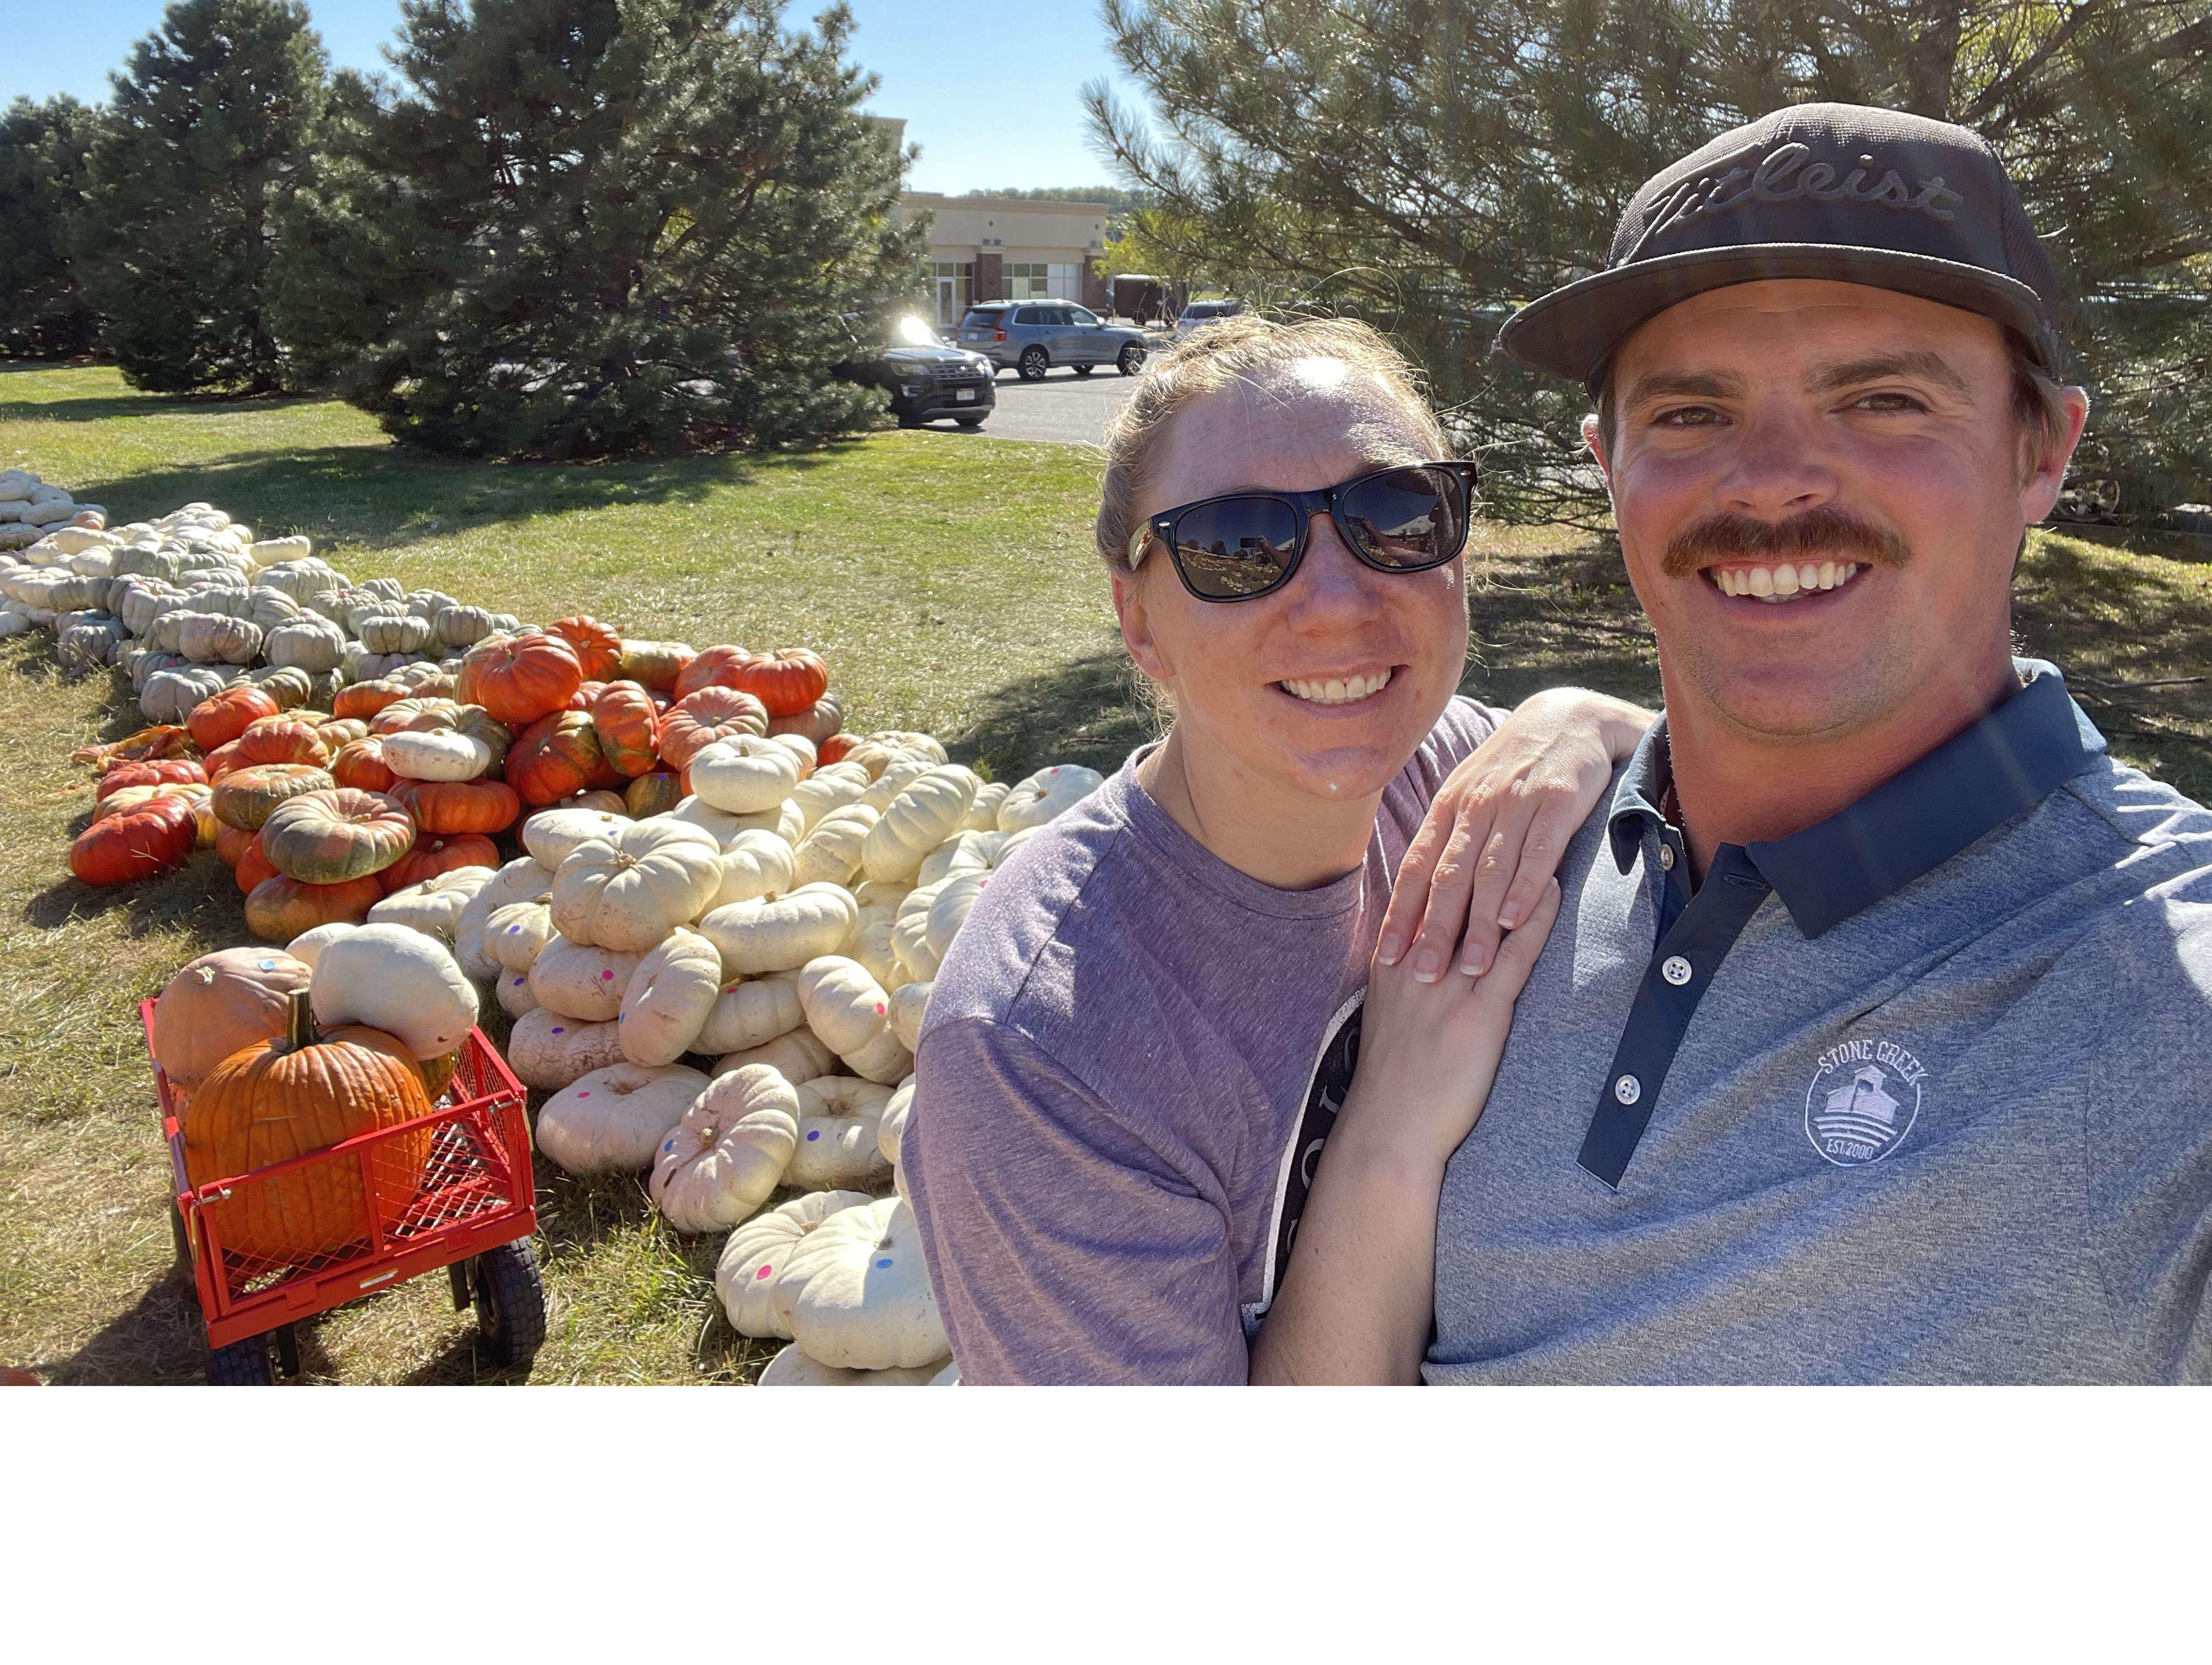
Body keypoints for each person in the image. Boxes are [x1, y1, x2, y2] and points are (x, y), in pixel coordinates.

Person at [1252, 102, 2212, 1385]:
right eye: (1693, 415)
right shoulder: (1508, 864)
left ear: (2041, 452)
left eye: (1882, 399)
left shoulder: (2157, 989)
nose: (1771, 482)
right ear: (1608, 465)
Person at [900, 316, 1655, 1383]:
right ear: (1140, 621)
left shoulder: (1465, 774)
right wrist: (1393, 1111)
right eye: (1238, 546)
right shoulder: (1041, 1053)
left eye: (1399, 514)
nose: (1342, 603)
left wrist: (1582, 716)